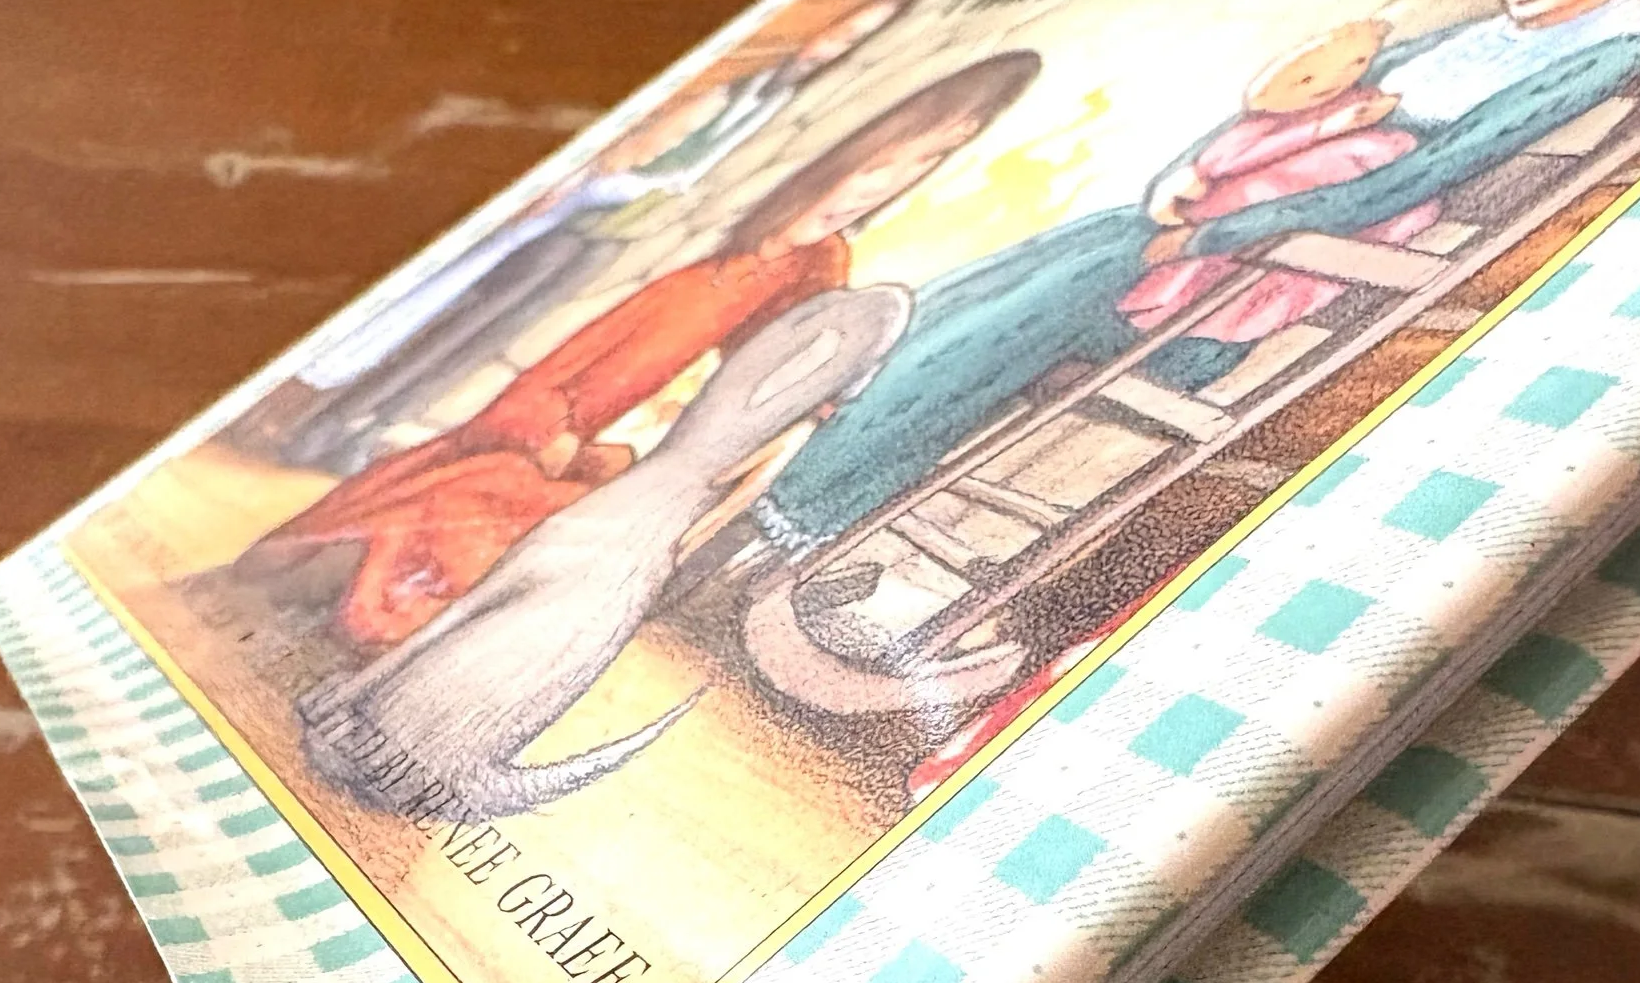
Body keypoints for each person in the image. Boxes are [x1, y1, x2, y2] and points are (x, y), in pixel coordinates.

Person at [756, 0, 1640, 556]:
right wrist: (1185, 172)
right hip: (1209, 229)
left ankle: (809, 505)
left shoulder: (1615, 43)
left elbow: (1413, 179)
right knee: (1005, 273)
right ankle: (789, 451)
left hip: (1244, 281)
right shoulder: (1480, 33)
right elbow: (1292, 100)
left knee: (1056, 288)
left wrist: (1207, 235)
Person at [236, 50, 1040, 649]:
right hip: (563, 391)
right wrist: (550, 419)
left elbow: (772, 372)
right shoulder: (750, 220)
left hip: (609, 428)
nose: (883, 184)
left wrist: (793, 419)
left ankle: (359, 607)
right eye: (884, 164)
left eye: (925, 165)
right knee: (456, 476)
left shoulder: (818, 267)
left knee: (485, 512)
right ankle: (315, 582)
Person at [274, 0, 909, 473]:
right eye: (846, 31)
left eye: (857, 41)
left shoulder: (776, 105)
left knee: (482, 335)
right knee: (437, 306)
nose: (836, 48)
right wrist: (591, 181)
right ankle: (325, 420)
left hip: (598, 233)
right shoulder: (734, 79)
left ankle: (362, 427)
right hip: (565, 208)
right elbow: (633, 146)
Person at [1117, 18, 1439, 343]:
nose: (1333, 81)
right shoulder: (1258, 128)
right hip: (1260, 193)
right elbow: (1227, 161)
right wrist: (1324, 129)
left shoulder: (1355, 100)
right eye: (1306, 79)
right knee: (1240, 267)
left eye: (1357, 62)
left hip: (1331, 181)